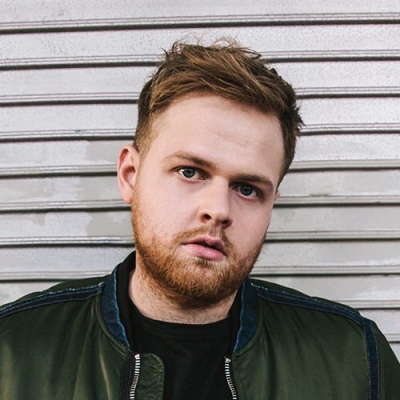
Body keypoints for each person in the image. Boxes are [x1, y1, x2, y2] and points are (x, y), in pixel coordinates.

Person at [0, 39, 399, 400]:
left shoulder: (355, 360)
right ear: (130, 176)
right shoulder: (13, 352)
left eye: (247, 189)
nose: (219, 210)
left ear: (271, 204)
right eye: (190, 171)